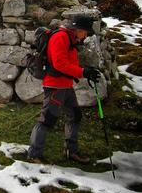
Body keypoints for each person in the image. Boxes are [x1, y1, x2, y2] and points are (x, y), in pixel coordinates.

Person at [27, 15, 101, 164]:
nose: (86, 35)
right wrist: (83, 72)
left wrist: (86, 71)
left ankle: (70, 151)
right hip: (55, 86)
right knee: (47, 120)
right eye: (85, 32)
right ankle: (34, 154)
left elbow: (68, 63)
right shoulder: (61, 37)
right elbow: (59, 64)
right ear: (78, 29)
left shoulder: (70, 39)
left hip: (66, 86)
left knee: (75, 116)